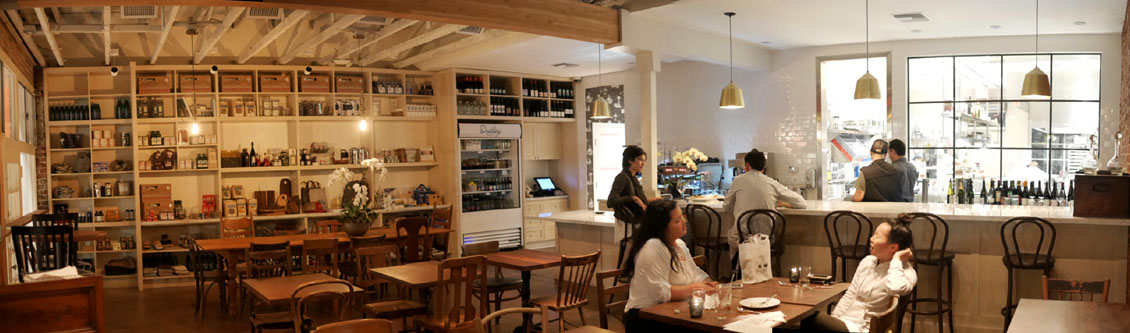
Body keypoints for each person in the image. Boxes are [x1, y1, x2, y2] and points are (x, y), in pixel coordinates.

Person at [801, 214, 918, 332]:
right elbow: (850, 294)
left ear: (893, 247)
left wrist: (896, 259)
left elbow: (895, 288)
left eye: (877, 236)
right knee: (812, 319)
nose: (871, 239)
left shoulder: (907, 273)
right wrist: (835, 318)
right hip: (845, 323)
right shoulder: (868, 261)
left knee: (812, 318)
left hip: (864, 329)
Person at [622, 200, 715, 332]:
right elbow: (661, 292)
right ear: (662, 227)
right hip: (646, 318)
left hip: (672, 312)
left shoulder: (679, 245)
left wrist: (710, 285)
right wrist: (696, 288)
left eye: (682, 216)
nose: (684, 222)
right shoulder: (653, 247)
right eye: (677, 221)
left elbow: (696, 274)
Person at [724, 148, 807, 261]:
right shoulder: (772, 182)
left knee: (733, 237)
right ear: (763, 168)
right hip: (765, 238)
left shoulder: (738, 180)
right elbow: (801, 202)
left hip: (742, 238)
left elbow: (726, 206)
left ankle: (737, 273)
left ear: (747, 165)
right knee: (758, 239)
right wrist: (784, 204)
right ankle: (763, 272)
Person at [607, 145, 657, 223]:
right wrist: (633, 198)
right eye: (640, 159)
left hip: (635, 223)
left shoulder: (633, 178)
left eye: (644, 160)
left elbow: (636, 201)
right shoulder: (622, 177)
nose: (643, 163)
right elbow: (611, 201)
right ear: (630, 160)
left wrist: (653, 200)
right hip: (626, 225)